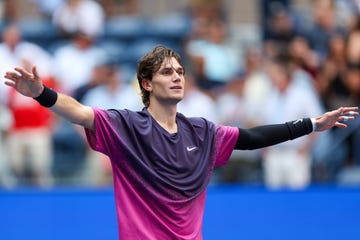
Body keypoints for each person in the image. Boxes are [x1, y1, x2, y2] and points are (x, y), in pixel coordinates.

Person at [3, 46, 358, 240]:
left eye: (180, 72)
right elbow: (80, 113)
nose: (177, 77)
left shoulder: (203, 131)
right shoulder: (125, 126)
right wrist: (41, 93)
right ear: (146, 83)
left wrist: (312, 124)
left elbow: (251, 138)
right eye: (167, 72)